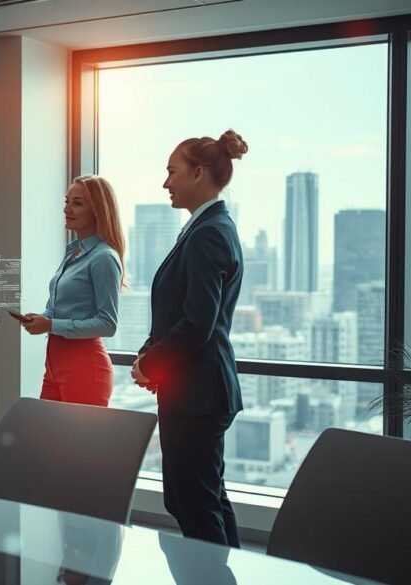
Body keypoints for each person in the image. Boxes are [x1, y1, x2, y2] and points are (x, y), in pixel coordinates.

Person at [131, 129, 248, 547]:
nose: (166, 182)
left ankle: (214, 575)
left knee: (192, 504)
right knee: (203, 500)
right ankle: (229, 572)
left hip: (199, 394)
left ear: (198, 173)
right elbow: (178, 313)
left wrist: (151, 364)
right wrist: (150, 355)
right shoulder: (205, 228)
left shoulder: (209, 233)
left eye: (172, 172)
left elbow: (198, 323)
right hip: (197, 391)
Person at [22, 175, 126, 407]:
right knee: (45, 430)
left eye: (77, 203)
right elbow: (59, 309)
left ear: (97, 210)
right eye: (66, 201)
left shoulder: (104, 258)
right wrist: (42, 319)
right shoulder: (73, 252)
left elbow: (107, 324)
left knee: (74, 434)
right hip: (54, 365)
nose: (67, 209)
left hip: (85, 369)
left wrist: (51, 325)